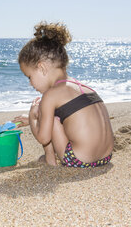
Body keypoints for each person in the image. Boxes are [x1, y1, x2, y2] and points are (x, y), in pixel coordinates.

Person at [13, 22, 114, 167]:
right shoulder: (82, 87)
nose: (30, 83)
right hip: (106, 156)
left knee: (49, 116)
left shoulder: (51, 95)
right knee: (50, 115)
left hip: (80, 160)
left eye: (29, 77)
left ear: (41, 68)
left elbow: (43, 138)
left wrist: (33, 116)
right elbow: (75, 116)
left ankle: (50, 159)